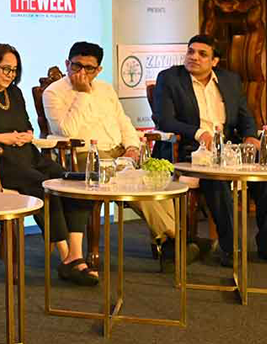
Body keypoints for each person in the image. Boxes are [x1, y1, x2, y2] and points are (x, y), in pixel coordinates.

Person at [0, 43, 98, 285]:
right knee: (44, 186)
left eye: (14, 70)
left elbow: (26, 125)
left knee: (70, 181)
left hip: (27, 156)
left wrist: (26, 135)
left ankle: (76, 254)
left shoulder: (15, 93)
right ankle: (66, 259)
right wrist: (3, 138)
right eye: (5, 69)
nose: (10, 75)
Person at [42, 40, 194, 268]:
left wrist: (132, 147)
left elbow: (123, 122)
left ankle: (169, 243)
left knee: (155, 181)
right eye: (76, 66)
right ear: (67, 64)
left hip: (119, 154)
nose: (81, 72)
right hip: (86, 156)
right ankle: (175, 242)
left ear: (98, 70)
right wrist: (82, 94)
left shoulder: (105, 89)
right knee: (133, 182)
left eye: (89, 68)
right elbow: (66, 131)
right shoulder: (54, 92)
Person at [154, 34, 267, 265]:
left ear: (214, 61)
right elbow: (164, 120)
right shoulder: (170, 78)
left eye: (202, 54)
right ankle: (231, 248)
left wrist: (251, 136)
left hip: (230, 150)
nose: (194, 57)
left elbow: (245, 115)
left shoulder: (229, 80)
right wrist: (198, 133)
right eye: (191, 51)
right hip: (192, 152)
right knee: (216, 180)